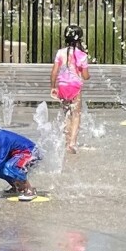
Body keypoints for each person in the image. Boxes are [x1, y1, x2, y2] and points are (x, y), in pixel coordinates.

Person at [49, 26, 91, 156]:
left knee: (66, 113)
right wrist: (88, 76)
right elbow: (85, 76)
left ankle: (67, 142)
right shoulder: (82, 55)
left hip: (62, 86)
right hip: (75, 87)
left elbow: (54, 72)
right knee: (76, 114)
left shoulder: (60, 53)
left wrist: (53, 87)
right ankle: (72, 142)